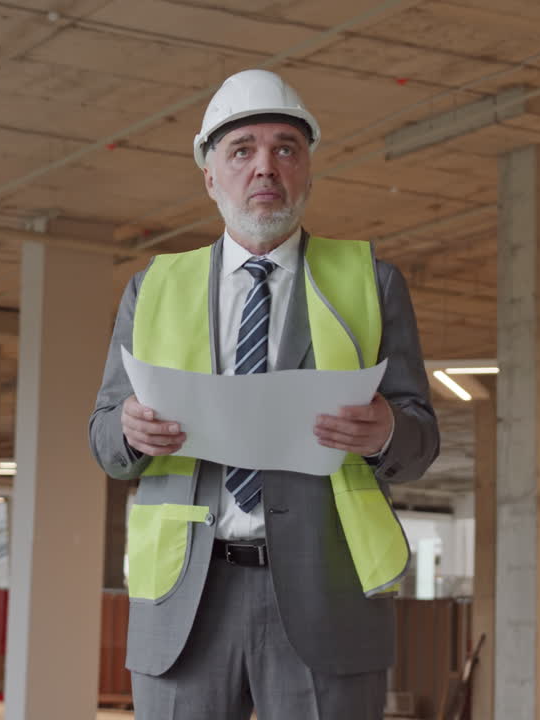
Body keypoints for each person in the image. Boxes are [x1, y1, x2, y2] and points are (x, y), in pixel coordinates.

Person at [88, 69, 440, 720]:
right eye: (242, 149)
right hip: (185, 600)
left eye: (286, 148)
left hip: (326, 596)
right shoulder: (154, 288)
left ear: (307, 170)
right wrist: (130, 431)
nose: (265, 167)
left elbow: (420, 439)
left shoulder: (372, 282)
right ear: (210, 174)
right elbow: (104, 439)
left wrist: (387, 427)